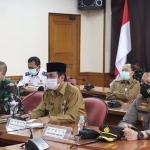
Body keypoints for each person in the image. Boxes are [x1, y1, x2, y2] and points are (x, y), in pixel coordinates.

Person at [21, 62, 87, 124]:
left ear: (62, 78)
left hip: (75, 127)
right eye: (47, 76)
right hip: (55, 126)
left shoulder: (73, 92)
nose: (48, 79)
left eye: (51, 76)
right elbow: (41, 110)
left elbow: (71, 117)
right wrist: (30, 115)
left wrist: (49, 119)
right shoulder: (48, 91)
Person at [118, 69, 150, 140]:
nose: (144, 85)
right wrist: (125, 127)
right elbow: (125, 121)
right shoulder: (140, 99)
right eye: (142, 82)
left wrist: (140, 135)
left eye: (148, 83)